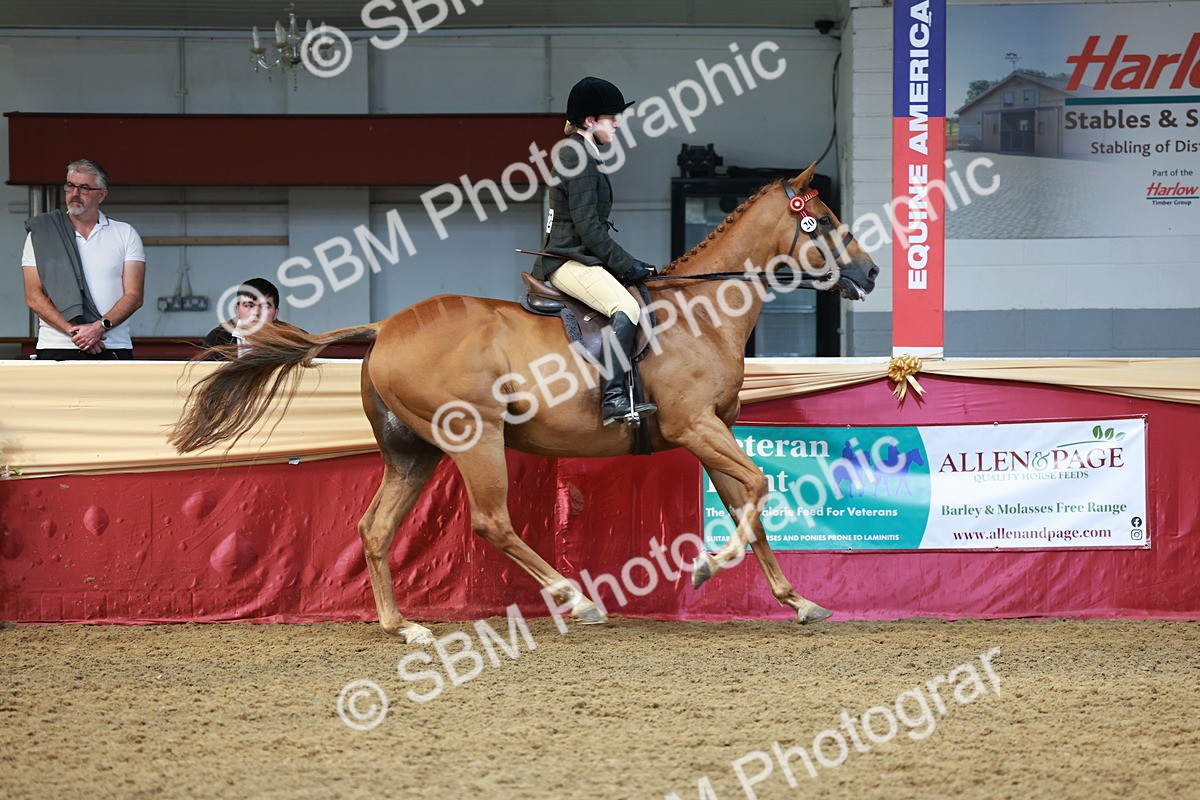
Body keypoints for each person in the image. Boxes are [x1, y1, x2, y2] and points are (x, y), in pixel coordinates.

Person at [533, 76, 659, 427]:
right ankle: (614, 398)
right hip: (568, 260)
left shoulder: (581, 152)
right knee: (626, 305)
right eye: (612, 117)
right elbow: (588, 228)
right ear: (591, 120)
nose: (617, 124)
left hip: (576, 255)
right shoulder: (578, 155)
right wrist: (627, 264)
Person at [21, 159, 146, 360]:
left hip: (112, 344)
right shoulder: (42, 233)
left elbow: (134, 295)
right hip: (57, 345)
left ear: (102, 195)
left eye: (85, 188)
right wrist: (77, 333)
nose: (75, 193)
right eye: (70, 186)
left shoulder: (125, 233)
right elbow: (33, 296)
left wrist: (99, 328)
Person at [202, 277, 298, 360]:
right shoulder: (217, 339)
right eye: (248, 306)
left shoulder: (294, 339)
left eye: (264, 306)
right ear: (237, 310)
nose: (256, 313)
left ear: (275, 313)